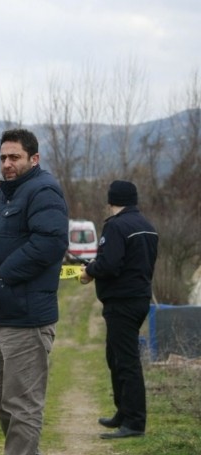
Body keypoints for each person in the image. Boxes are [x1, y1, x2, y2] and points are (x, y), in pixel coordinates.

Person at [0, 128, 69, 455]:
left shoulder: (43, 191)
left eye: (15, 157)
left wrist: (6, 273)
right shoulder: (4, 193)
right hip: (0, 312)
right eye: (3, 157)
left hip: (27, 314)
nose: (8, 164)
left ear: (34, 159)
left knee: (22, 402)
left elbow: (51, 242)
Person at [79, 180, 159, 439]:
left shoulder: (115, 226)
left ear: (111, 201)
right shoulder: (147, 227)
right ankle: (123, 412)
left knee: (126, 362)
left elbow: (110, 265)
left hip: (121, 302)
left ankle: (134, 423)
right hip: (138, 299)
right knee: (115, 356)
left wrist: (90, 270)